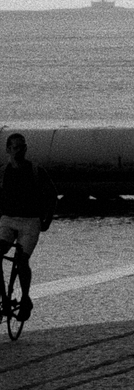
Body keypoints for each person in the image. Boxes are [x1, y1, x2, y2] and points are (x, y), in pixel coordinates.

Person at [0, 133, 56, 319]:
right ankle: (4, 299)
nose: (19, 151)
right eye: (15, 147)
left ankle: (25, 298)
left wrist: (46, 220)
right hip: (8, 219)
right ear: (8, 149)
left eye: (22, 147)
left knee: (22, 260)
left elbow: (52, 196)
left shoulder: (35, 170)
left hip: (30, 222)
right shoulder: (3, 172)